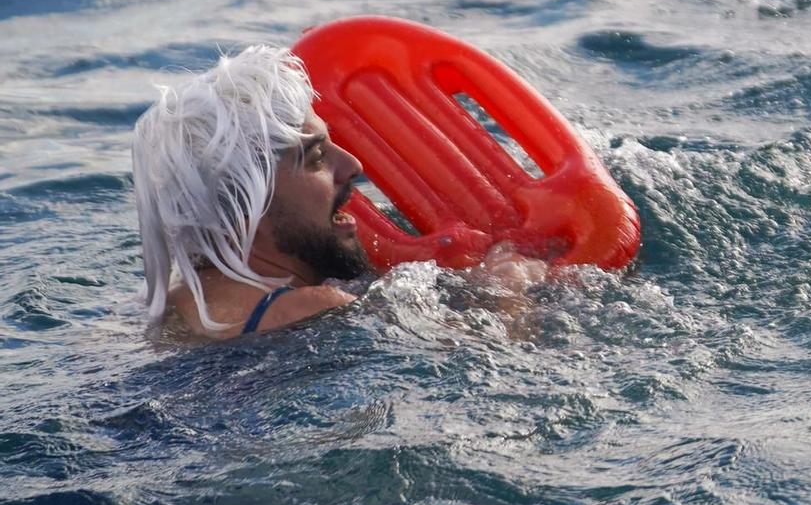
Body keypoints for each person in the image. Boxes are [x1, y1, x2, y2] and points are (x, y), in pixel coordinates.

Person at [133, 46, 544, 340]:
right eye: (315, 158)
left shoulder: (156, 309)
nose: (353, 166)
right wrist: (507, 292)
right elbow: (489, 355)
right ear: (245, 209)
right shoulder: (313, 307)